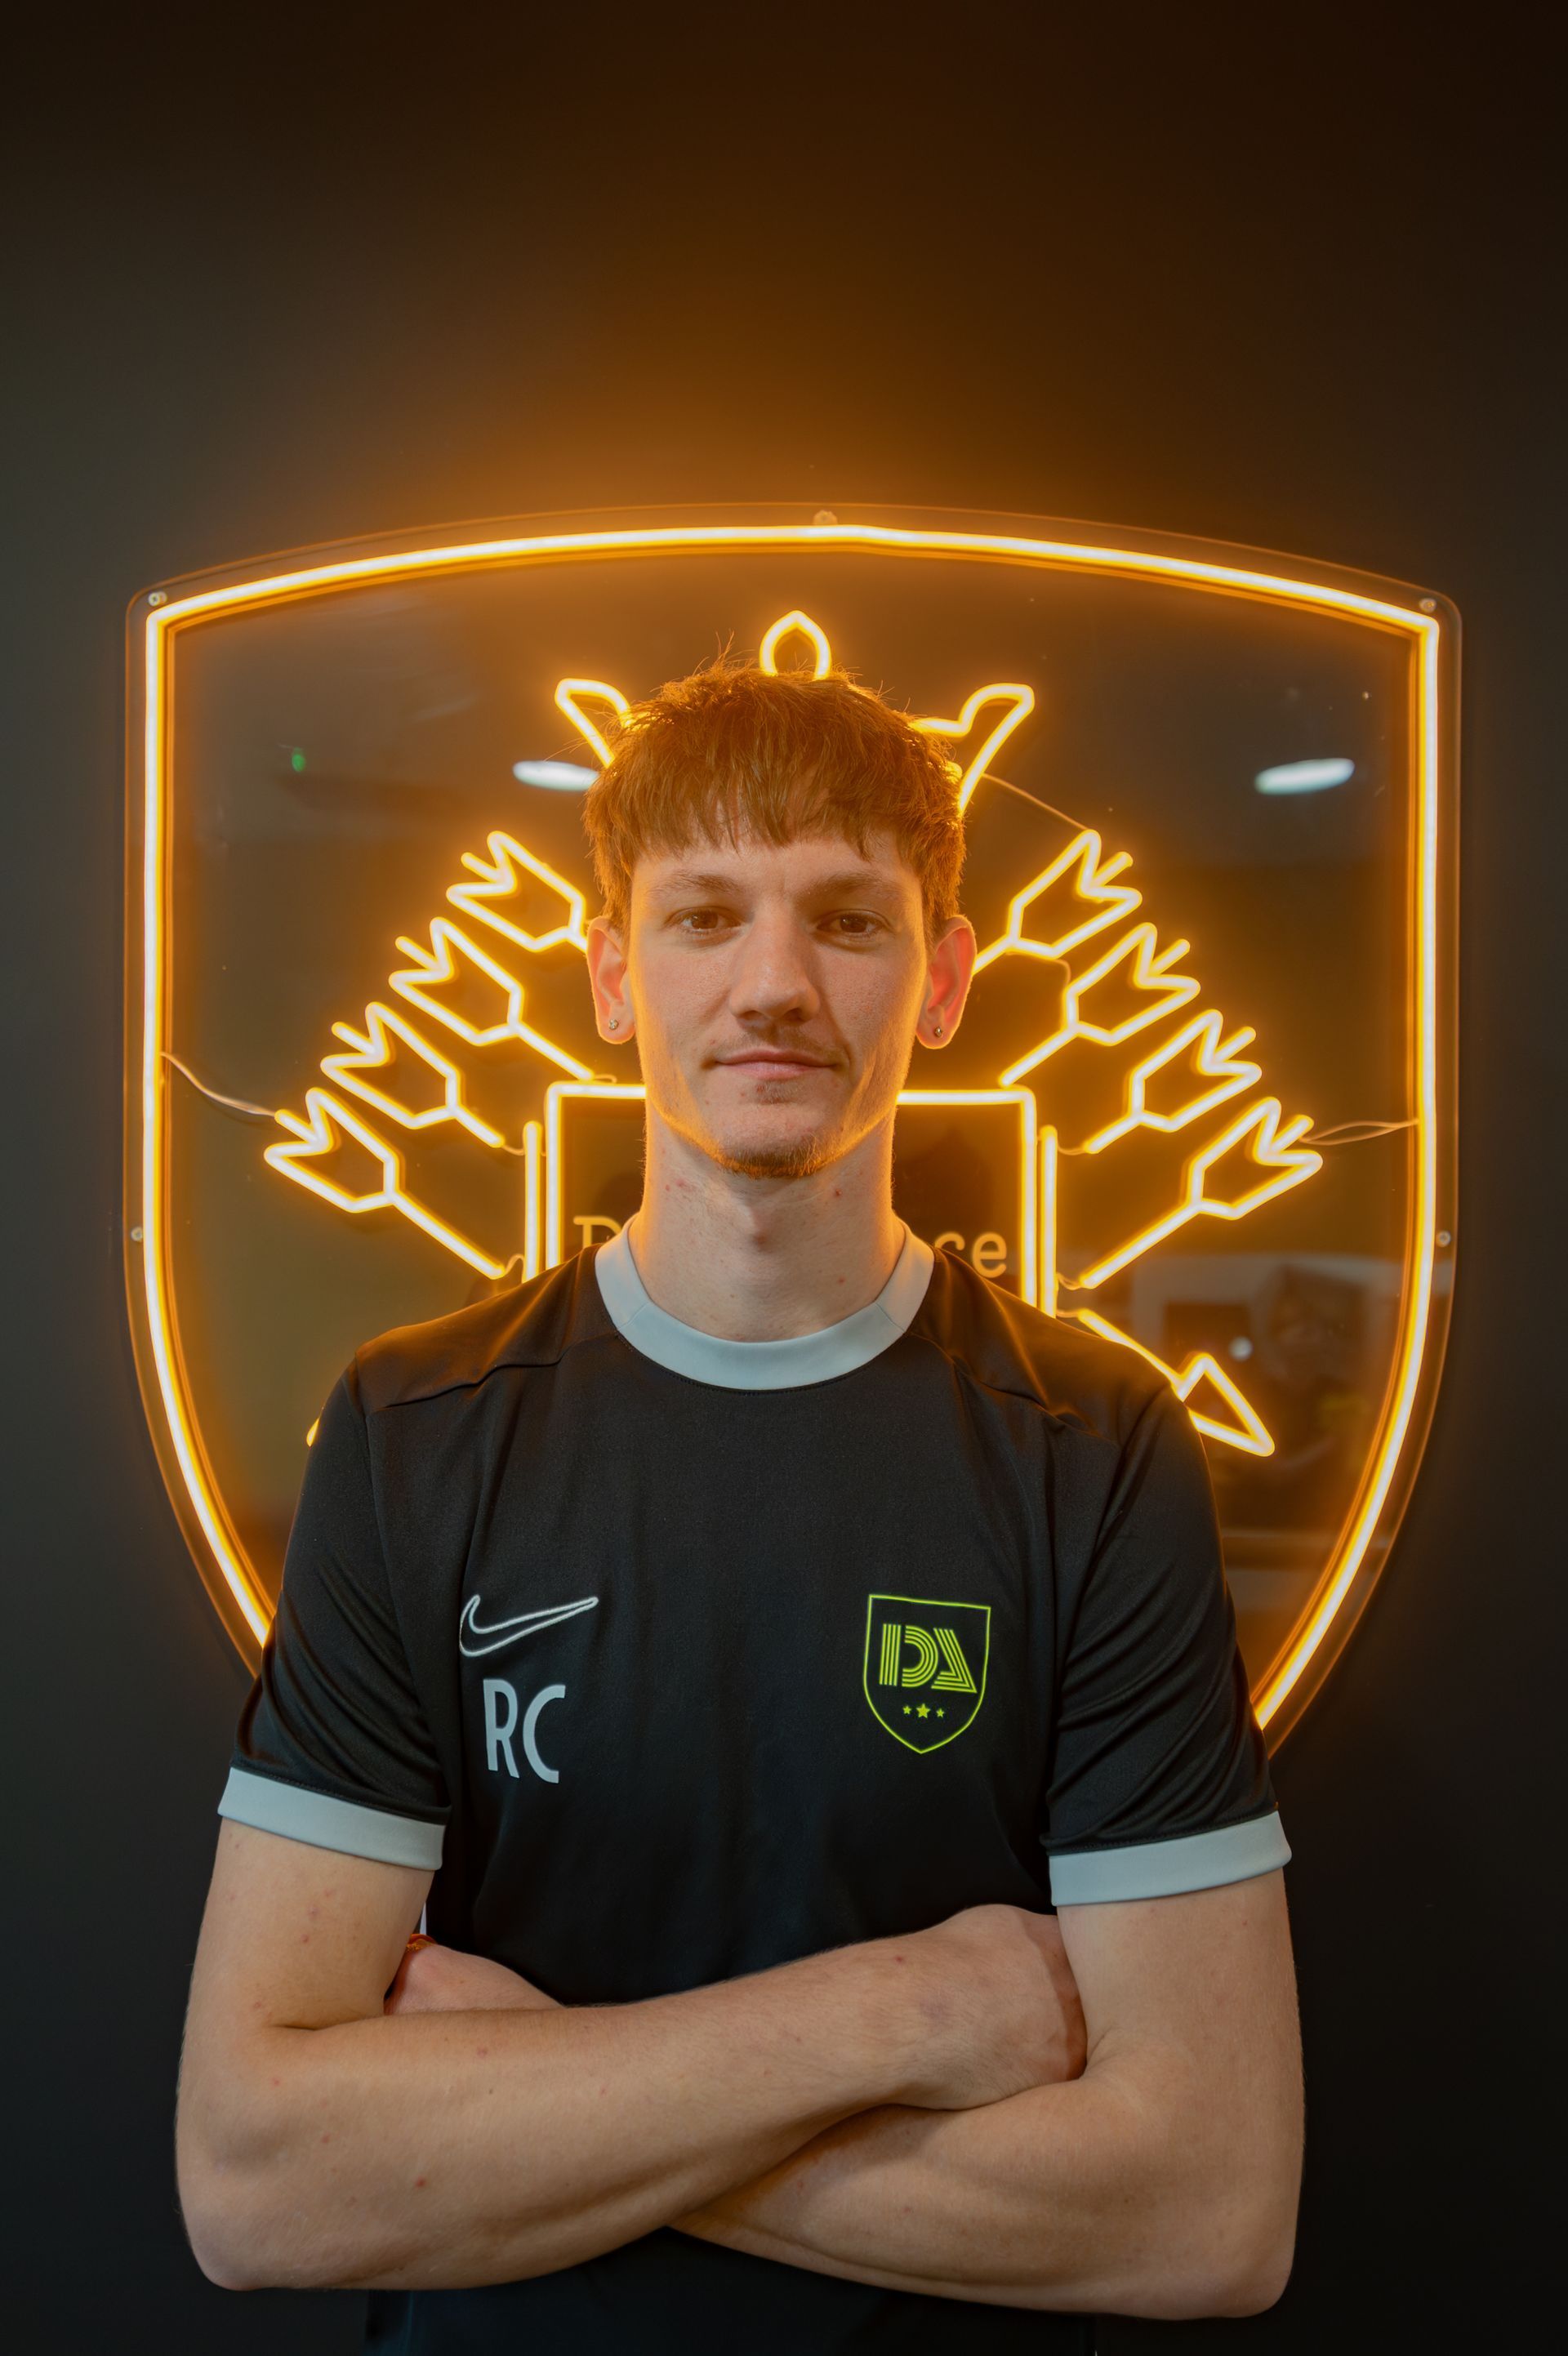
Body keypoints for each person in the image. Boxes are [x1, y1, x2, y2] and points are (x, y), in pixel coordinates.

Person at [176, 657, 1303, 2352]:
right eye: (706, 917)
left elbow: (1208, 2208)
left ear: (944, 984)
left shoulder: (1098, 1445)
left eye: (847, 920)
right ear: (613, 980)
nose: (773, 983)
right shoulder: (415, 1432)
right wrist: (903, 2013)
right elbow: (256, 2187)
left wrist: (527, 2079)